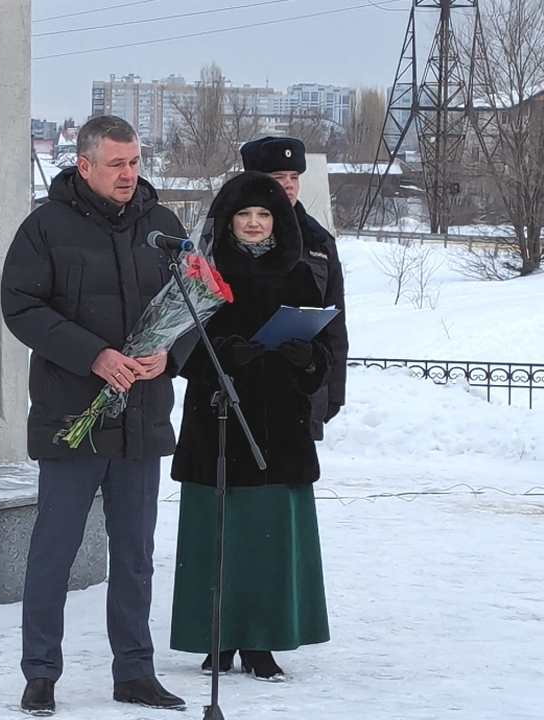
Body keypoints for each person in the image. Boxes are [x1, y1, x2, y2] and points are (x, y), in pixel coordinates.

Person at [0, 115, 189, 716]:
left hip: (141, 417)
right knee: (53, 552)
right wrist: (94, 356)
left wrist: (170, 354)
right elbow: (20, 306)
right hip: (70, 417)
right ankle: (41, 675)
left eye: (135, 162)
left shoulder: (164, 226)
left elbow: (193, 303)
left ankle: (135, 671)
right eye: (117, 164)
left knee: (134, 555)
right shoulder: (45, 228)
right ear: (84, 165)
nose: (130, 174)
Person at [169, 171, 333, 680]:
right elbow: (177, 345)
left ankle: (263, 640)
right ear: (230, 222)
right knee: (217, 537)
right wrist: (217, 356)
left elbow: (322, 353)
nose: (256, 224)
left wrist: (307, 357)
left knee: (268, 538)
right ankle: (214, 640)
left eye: (264, 215)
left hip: (280, 427)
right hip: (218, 422)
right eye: (245, 216)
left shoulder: (300, 274)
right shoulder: (203, 275)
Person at [239, 136, 348, 441]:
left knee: (292, 484)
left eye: (294, 177)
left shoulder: (319, 241)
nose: (288, 185)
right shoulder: (227, 235)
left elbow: (334, 323)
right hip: (243, 392)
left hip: (303, 385)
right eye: (278, 177)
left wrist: (333, 388)